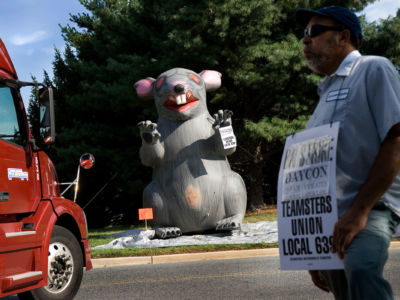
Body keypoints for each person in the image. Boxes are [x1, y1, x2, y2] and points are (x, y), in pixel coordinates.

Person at [295, 5, 400, 300]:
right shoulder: (325, 93)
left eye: (314, 32)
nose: (305, 39)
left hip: (371, 207)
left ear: (343, 36)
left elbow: (396, 138)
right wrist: (312, 250)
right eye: (304, 33)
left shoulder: (372, 68)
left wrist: (360, 210)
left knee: (363, 270)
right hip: (331, 217)